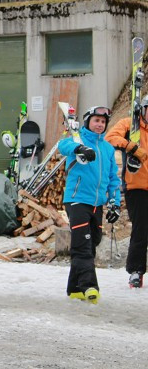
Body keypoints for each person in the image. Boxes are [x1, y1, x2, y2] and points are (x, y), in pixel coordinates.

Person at [61, 106, 121, 303]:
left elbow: (113, 179)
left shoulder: (107, 148)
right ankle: (89, 286)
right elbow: (63, 146)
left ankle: (75, 288)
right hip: (77, 200)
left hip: (97, 204)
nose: (99, 125)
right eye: (96, 121)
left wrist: (115, 203)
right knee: (83, 245)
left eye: (103, 122)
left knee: (92, 241)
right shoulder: (78, 140)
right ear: (88, 122)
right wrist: (79, 148)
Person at [105, 103, 148, 288]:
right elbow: (110, 138)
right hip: (137, 187)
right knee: (141, 230)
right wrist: (131, 147)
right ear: (143, 110)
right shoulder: (129, 124)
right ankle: (136, 271)